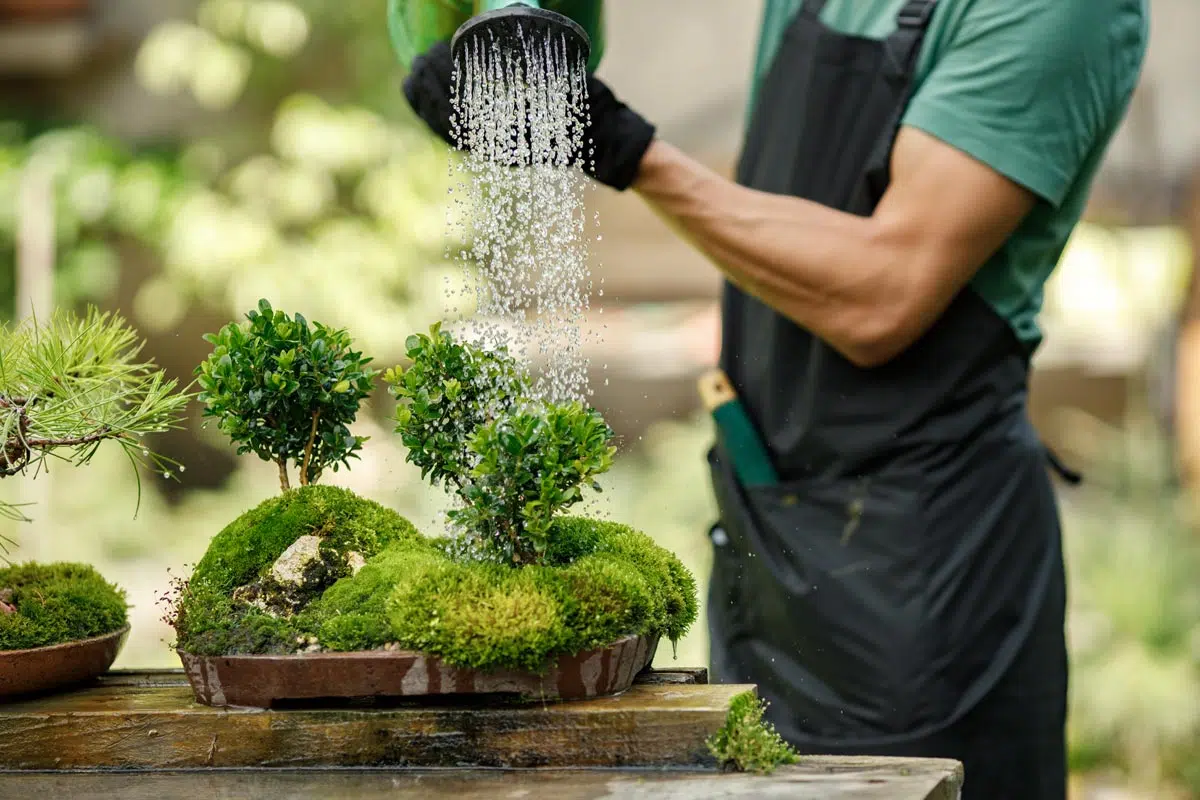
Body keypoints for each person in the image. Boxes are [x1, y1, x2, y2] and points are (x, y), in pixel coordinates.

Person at [401, 0, 1148, 796]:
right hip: (770, 541)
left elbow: (883, 295)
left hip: (924, 584)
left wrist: (626, 150)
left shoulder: (1060, 11)